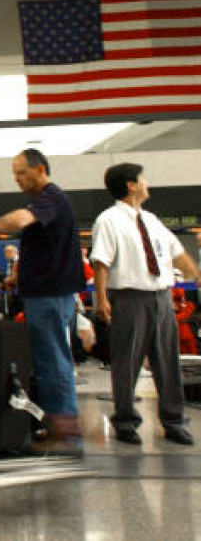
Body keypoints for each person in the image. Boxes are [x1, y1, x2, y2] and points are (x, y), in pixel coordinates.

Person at [90, 163, 201, 446]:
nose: (146, 183)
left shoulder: (151, 220)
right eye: (143, 179)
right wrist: (101, 299)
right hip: (128, 298)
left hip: (161, 297)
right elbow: (101, 261)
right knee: (127, 362)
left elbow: (176, 252)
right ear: (131, 185)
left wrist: (197, 274)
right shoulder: (108, 220)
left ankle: (174, 421)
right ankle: (126, 421)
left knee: (168, 361)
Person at [0, 149, 85, 443]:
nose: (16, 179)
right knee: (47, 361)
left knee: (53, 362)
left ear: (40, 169)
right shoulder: (48, 201)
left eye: (21, 172)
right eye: (14, 173)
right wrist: (18, 279)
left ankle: (66, 431)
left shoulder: (50, 198)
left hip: (49, 297)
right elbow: (48, 253)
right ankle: (55, 424)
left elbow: (20, 220)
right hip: (45, 294)